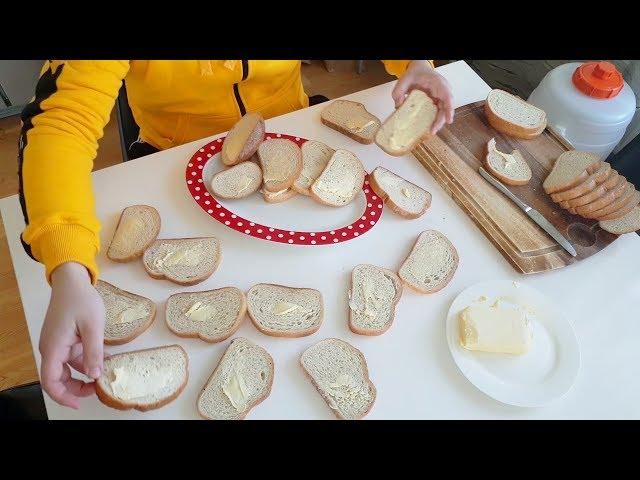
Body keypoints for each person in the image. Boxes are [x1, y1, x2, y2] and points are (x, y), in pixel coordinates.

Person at [18, 59, 454, 409]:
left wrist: (413, 63)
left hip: (294, 133)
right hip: (173, 165)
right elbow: (60, 124)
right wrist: (69, 267)